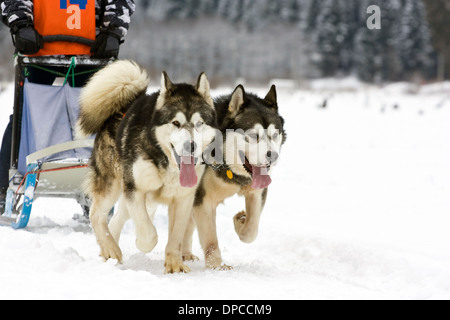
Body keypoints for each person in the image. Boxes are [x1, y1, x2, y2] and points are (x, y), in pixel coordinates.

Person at [0, 0, 135, 214]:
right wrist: (22, 24)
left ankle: (99, 187)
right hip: (39, 49)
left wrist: (113, 31)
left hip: (91, 52)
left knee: (96, 117)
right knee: (26, 116)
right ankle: (5, 188)